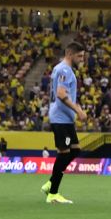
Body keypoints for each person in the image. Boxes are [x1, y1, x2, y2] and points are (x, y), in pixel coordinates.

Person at [43, 42, 86, 204]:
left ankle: (51, 183)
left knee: (75, 150)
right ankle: (53, 193)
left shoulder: (60, 69)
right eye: (79, 56)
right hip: (61, 118)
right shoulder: (65, 70)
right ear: (69, 54)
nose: (82, 59)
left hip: (65, 119)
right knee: (65, 153)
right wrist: (78, 110)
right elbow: (61, 94)